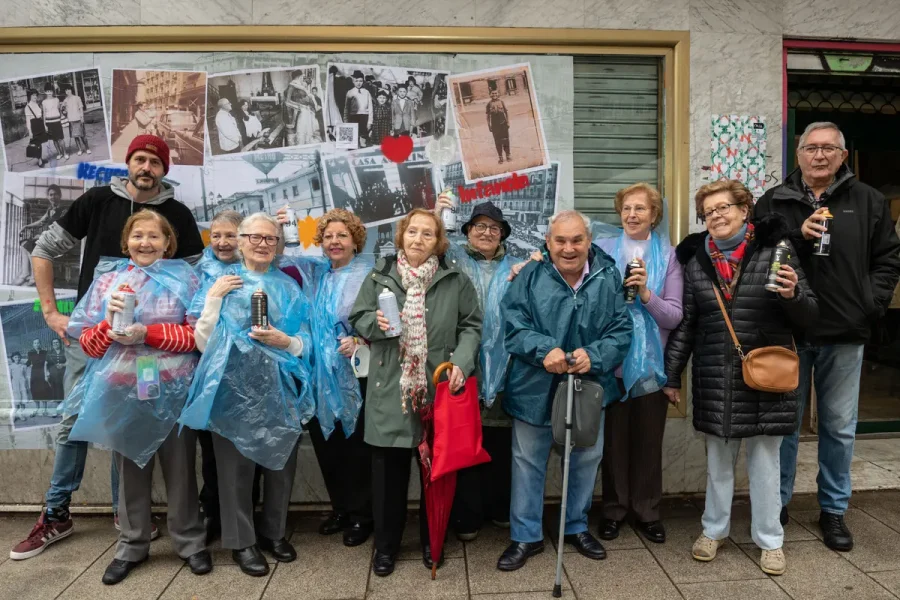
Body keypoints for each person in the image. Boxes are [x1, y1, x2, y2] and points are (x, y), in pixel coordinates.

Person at [10, 135, 204, 561]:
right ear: (129, 162)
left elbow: (196, 280)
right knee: (75, 421)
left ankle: (127, 517)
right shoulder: (98, 201)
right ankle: (56, 513)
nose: (146, 167)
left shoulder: (178, 215)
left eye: (155, 162)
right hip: (97, 338)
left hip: (160, 353)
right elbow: (44, 249)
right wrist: (50, 312)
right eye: (140, 159)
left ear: (164, 169)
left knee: (140, 424)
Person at [752, 122, 900, 552]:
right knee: (784, 427)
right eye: (811, 148)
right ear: (798, 154)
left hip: (844, 331)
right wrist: (796, 236)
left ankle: (833, 510)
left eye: (829, 149)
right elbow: (757, 255)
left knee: (838, 427)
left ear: (843, 156)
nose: (819, 155)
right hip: (787, 332)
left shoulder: (868, 200)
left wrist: (870, 303)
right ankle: (776, 505)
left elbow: (888, 259)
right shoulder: (774, 200)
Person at [663, 179, 818, 576]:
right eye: (708, 212)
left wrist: (793, 295)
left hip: (766, 375)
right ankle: (713, 531)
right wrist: (672, 375)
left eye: (723, 208)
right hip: (716, 375)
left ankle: (770, 540)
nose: (716, 216)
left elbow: (809, 316)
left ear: (744, 209)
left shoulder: (776, 249)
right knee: (718, 464)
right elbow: (688, 324)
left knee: (765, 465)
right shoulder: (696, 260)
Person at [62, 210, 210, 585]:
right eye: (138, 235)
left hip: (174, 391)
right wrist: (107, 325)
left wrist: (147, 333)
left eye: (154, 236)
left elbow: (196, 337)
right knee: (130, 474)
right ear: (126, 241)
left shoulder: (187, 279)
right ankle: (131, 545)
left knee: (181, 470)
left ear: (168, 243)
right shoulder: (107, 282)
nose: (145, 243)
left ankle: (190, 543)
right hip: (123, 391)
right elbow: (88, 345)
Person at [349, 208, 482, 577]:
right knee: (387, 478)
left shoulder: (454, 280)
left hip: (437, 389)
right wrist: (374, 323)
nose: (418, 240)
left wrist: (462, 363)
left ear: (438, 242)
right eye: (412, 232)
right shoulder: (380, 276)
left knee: (436, 475)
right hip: (391, 388)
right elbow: (358, 317)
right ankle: (385, 547)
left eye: (427, 233)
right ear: (401, 236)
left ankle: (431, 541)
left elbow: (471, 326)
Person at [179, 213, 313, 578]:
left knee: (281, 466)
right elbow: (202, 342)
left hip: (280, 389)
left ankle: (274, 531)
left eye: (270, 238)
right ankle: (241, 542)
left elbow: (308, 340)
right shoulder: (221, 283)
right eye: (255, 237)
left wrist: (287, 342)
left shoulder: (289, 287)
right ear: (240, 241)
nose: (262, 244)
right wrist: (212, 300)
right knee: (234, 470)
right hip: (231, 391)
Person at [497, 210, 632, 572]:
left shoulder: (608, 276)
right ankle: (526, 536)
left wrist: (595, 355)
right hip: (534, 385)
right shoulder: (529, 275)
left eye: (576, 240)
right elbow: (513, 325)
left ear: (589, 241)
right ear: (548, 242)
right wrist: (544, 349)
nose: (568, 248)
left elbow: (621, 331)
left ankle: (574, 526)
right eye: (560, 241)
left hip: (589, 385)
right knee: (528, 462)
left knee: (585, 459)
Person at [594, 183, 683, 544]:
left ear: (654, 215)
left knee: (648, 442)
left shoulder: (669, 255)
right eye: (626, 208)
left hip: (651, 366)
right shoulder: (601, 248)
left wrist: (646, 293)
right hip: (610, 362)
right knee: (613, 444)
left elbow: (674, 316)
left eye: (640, 209)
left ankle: (647, 511)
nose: (632, 215)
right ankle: (613, 510)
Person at [431, 196, 523, 538]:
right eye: (480, 226)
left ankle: (499, 508)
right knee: (465, 438)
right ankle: (466, 516)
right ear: (467, 231)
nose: (487, 233)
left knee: (500, 440)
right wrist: (437, 215)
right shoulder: (451, 261)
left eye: (494, 228)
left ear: (503, 235)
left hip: (506, 368)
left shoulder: (517, 268)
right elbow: (428, 247)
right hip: (461, 363)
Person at [289, 209, 375, 547]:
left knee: (358, 447)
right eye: (327, 236)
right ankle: (341, 508)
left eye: (342, 235)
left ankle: (363, 514)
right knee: (328, 444)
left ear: (355, 240)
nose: (334, 241)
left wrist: (360, 340)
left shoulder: (369, 275)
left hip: (356, 373)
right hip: (318, 376)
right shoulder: (316, 275)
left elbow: (382, 320)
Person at [13, 183, 65, 287]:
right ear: (48, 197)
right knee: (24, 244)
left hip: (57, 241)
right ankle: (25, 273)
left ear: (60, 196)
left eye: (55, 194)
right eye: (50, 195)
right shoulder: (50, 210)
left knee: (32, 245)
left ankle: (34, 277)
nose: (53, 197)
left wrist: (42, 236)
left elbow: (60, 229)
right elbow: (41, 222)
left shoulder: (63, 211)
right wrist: (27, 226)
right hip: (48, 238)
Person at [343, 70, 373, 148]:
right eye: (356, 81)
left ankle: (363, 149)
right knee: (354, 139)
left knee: (363, 139)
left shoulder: (366, 92)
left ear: (363, 81)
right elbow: (346, 108)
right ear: (353, 81)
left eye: (360, 81)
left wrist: (370, 122)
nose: (358, 83)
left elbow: (370, 108)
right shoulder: (350, 92)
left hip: (364, 117)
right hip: (353, 117)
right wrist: (345, 120)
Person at [62, 85, 90, 156]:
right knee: (75, 136)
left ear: (71, 90)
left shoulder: (77, 98)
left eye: (69, 89)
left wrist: (82, 117)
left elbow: (81, 108)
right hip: (71, 120)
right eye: (66, 90)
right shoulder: (65, 100)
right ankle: (79, 149)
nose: (68, 91)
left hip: (78, 118)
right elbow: (64, 111)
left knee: (82, 135)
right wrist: (64, 109)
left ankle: (87, 148)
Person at [41, 83, 67, 161]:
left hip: (57, 122)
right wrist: (44, 125)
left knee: (60, 138)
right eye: (47, 91)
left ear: (52, 91)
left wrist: (62, 118)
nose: (49, 93)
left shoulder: (56, 100)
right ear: (45, 92)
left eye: (50, 91)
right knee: (54, 139)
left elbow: (60, 111)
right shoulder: (44, 102)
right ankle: (59, 153)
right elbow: (44, 114)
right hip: (49, 123)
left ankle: (65, 153)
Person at [26, 339, 51, 418]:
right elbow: (28, 362)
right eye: (35, 343)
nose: (37, 344)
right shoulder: (30, 353)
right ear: (33, 345)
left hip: (42, 373)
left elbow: (47, 363)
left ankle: (45, 409)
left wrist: (47, 372)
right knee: (35, 390)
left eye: (38, 343)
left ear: (40, 344)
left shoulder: (44, 352)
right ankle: (37, 408)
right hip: (34, 374)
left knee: (43, 390)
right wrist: (21, 365)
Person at [485, 89, 511, 165]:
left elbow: (506, 112)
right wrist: (489, 125)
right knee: (497, 141)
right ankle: (500, 157)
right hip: (495, 125)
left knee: (506, 140)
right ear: (490, 94)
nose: (494, 95)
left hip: (503, 123)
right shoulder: (489, 104)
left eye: (495, 93)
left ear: (498, 94)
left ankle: (508, 155)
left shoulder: (501, 102)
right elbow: (488, 116)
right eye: (492, 93)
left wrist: (508, 122)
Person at [24, 89, 47, 168]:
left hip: (40, 124)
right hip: (34, 125)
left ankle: (41, 158)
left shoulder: (37, 104)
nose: (35, 97)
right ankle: (39, 161)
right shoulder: (27, 107)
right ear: (30, 96)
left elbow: (40, 115)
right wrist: (30, 131)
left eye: (36, 95)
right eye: (33, 95)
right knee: (37, 144)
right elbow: (28, 120)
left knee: (40, 143)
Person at [9, 352, 31, 421]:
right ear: (12, 358)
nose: (17, 358)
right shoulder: (11, 366)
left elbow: (25, 376)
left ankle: (21, 414)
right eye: (15, 357)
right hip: (15, 385)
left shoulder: (23, 366)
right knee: (17, 402)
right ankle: (14, 415)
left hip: (22, 385)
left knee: (23, 402)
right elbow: (10, 377)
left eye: (18, 357)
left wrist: (27, 386)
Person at [47, 337, 66, 402]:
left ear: (60, 343)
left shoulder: (64, 352)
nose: (55, 344)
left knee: (62, 385)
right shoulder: (49, 353)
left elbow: (69, 361)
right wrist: (47, 372)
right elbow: (46, 364)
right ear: (52, 344)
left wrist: (63, 365)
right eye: (54, 343)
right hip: (53, 373)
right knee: (54, 385)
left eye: (57, 342)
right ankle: (56, 400)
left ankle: (63, 399)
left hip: (63, 372)